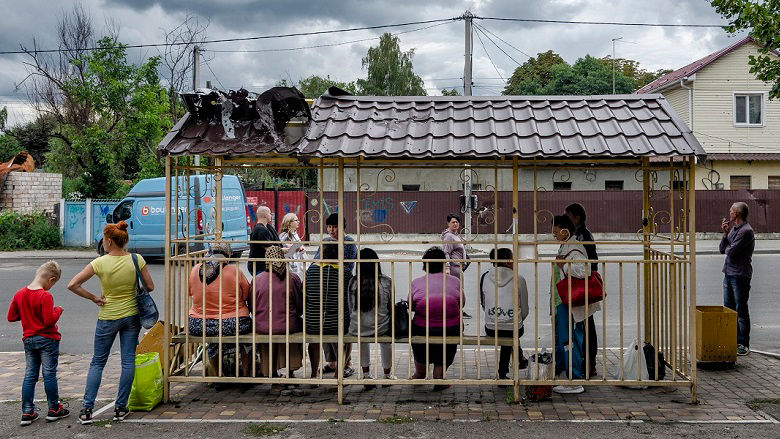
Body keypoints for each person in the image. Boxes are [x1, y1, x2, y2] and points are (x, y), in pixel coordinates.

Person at [67, 221, 155, 424]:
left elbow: (73, 284)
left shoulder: (99, 263)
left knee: (98, 362)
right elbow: (150, 286)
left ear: (108, 241)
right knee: (128, 361)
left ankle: (87, 409)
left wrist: (94, 298)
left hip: (107, 317)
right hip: (132, 316)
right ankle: (120, 407)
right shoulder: (136, 259)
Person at [7, 261, 69, 426]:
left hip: (29, 339)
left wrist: (28, 315)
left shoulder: (19, 294)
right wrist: (58, 310)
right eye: (53, 283)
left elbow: (11, 317)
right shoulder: (45, 296)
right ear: (51, 279)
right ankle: (54, 408)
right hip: (47, 339)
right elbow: (49, 321)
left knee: (30, 375)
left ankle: (27, 411)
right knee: (49, 374)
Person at [550, 215, 600, 395]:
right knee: (568, 338)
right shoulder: (566, 245)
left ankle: (574, 379)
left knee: (570, 340)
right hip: (564, 301)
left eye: (556, 231)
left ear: (565, 230)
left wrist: (564, 265)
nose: (553, 235)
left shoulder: (575, 248)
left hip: (570, 302)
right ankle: (569, 373)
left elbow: (583, 270)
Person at [187, 242, 252, 377]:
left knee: (212, 341)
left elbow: (190, 292)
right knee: (247, 337)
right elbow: (246, 295)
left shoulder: (195, 270)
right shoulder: (234, 271)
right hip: (233, 323)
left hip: (199, 324)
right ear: (226, 255)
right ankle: (246, 373)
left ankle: (218, 374)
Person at [409, 247, 464, 390]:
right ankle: (439, 375)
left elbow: (411, 305)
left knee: (418, 333)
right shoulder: (455, 281)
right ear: (443, 264)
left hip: (422, 328)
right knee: (448, 338)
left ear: (424, 265)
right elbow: (462, 303)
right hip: (450, 328)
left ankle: (420, 372)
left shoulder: (416, 282)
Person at [479, 248, 529, 383]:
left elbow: (483, 304)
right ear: (508, 261)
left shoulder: (484, 277)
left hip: (491, 327)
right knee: (511, 330)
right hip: (514, 327)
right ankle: (514, 362)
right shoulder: (519, 278)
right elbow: (525, 310)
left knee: (507, 329)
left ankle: (507, 368)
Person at [254, 245, 304, 378]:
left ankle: (272, 372)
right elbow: (300, 306)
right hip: (289, 325)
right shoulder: (292, 278)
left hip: (263, 325)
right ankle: (290, 371)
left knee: (269, 331)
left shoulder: (257, 279)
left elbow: (253, 305)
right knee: (293, 325)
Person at [305, 242, 354, 378]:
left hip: (313, 323)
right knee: (345, 338)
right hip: (338, 324)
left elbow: (306, 294)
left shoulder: (311, 270)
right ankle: (338, 373)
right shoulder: (345, 272)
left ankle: (314, 374)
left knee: (314, 340)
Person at [348, 248, 394, 388]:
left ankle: (366, 375)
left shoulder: (353, 282)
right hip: (381, 327)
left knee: (362, 340)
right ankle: (387, 375)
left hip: (358, 328)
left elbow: (351, 308)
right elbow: (390, 307)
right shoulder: (386, 282)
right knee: (386, 342)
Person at [565, 203, 599, 376]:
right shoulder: (577, 234)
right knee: (582, 325)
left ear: (576, 218)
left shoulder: (583, 235)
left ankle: (590, 362)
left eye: (568, 216)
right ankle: (581, 361)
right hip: (578, 287)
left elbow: (592, 263)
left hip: (583, 287)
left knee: (587, 326)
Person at [720, 201, 755, 356]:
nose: (729, 213)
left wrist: (729, 245)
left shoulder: (746, 231)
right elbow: (723, 249)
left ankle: (743, 343)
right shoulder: (734, 229)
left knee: (741, 310)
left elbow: (731, 252)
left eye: (731, 211)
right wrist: (725, 234)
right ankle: (732, 340)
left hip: (740, 275)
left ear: (738, 214)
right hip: (729, 273)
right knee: (729, 309)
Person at [441, 213, 471, 319]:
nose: (455, 224)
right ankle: (456, 311)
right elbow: (446, 252)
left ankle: (457, 310)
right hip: (454, 267)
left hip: (458, 265)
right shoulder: (449, 236)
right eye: (453, 222)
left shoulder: (455, 234)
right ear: (448, 223)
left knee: (457, 289)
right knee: (457, 290)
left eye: (457, 222)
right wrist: (447, 267)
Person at [314, 213, 358, 277]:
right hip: (323, 276)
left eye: (335, 227)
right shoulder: (325, 241)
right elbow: (316, 260)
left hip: (342, 277)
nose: (331, 230)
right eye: (329, 226)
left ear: (342, 227)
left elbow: (344, 264)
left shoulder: (349, 242)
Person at [249, 205, 280, 274]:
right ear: (265, 215)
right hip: (259, 267)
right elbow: (270, 249)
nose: (271, 215)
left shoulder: (266, 228)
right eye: (270, 213)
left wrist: (288, 247)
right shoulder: (261, 230)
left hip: (261, 266)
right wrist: (286, 250)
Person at [279, 212, 306, 280]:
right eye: (296, 220)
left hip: (296, 262)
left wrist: (301, 247)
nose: (298, 222)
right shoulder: (284, 235)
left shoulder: (294, 233)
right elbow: (284, 245)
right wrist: (296, 247)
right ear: (289, 222)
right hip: (289, 264)